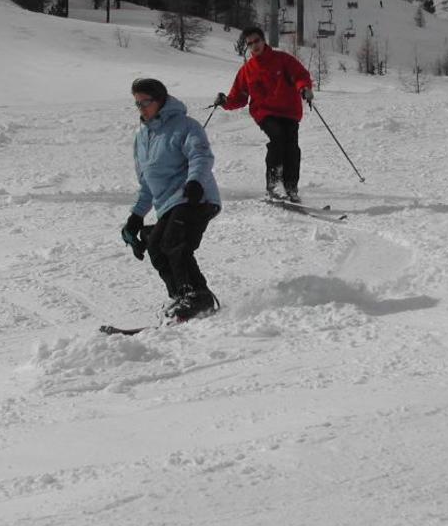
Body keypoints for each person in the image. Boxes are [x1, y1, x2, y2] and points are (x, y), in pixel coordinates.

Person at [123, 78, 221, 321]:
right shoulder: (142, 138)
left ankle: (196, 297)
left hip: (195, 198)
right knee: (156, 247)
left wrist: (195, 181)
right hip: (168, 205)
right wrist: (136, 216)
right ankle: (182, 297)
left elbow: (201, 155)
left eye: (146, 101)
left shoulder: (185, 126)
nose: (142, 108)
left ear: (161, 100)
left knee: (173, 242)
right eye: (137, 103)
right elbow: (147, 183)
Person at [214, 26, 314, 202]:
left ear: (264, 40)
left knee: (291, 147)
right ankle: (274, 184)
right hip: (264, 112)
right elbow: (239, 97)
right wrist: (225, 102)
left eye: (256, 41)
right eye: (249, 43)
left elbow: (300, 75)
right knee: (277, 137)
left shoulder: (282, 59)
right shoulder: (247, 70)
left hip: (289, 111)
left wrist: (304, 88)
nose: (254, 46)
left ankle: (291, 186)